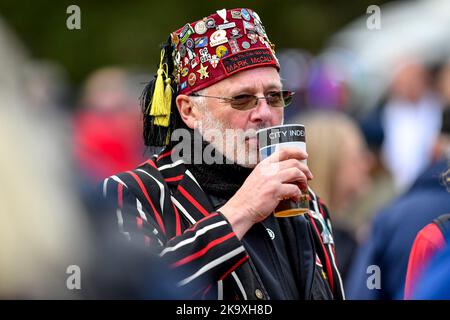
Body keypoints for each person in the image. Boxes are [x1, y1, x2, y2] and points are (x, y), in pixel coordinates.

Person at [102, 8, 344, 300]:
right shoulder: (135, 194)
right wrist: (240, 211)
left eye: (275, 96)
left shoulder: (308, 203)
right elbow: (136, 290)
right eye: (242, 99)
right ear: (189, 110)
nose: (265, 114)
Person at [346, 107, 450, 300]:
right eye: (359, 155)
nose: (366, 162)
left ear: (435, 148)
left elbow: (368, 285)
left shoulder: (392, 216)